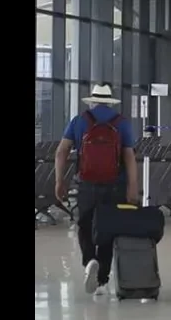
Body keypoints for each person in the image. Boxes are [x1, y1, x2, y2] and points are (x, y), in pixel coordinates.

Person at [54, 84, 138, 296]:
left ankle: (90, 259)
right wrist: (133, 186)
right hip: (115, 184)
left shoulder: (80, 120)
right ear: (110, 101)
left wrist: (59, 181)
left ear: (92, 100)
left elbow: (61, 152)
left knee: (84, 225)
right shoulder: (122, 123)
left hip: (87, 183)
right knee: (109, 228)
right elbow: (129, 157)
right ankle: (102, 279)